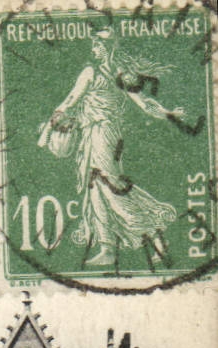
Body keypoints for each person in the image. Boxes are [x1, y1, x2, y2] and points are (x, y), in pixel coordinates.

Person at [39, 27, 184, 269]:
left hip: (102, 134)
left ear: (106, 48)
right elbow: (145, 103)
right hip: (100, 134)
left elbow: (71, 100)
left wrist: (52, 123)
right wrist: (169, 114)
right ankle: (107, 248)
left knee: (111, 187)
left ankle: (156, 237)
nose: (93, 49)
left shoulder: (93, 72)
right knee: (95, 188)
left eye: (97, 45)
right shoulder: (118, 73)